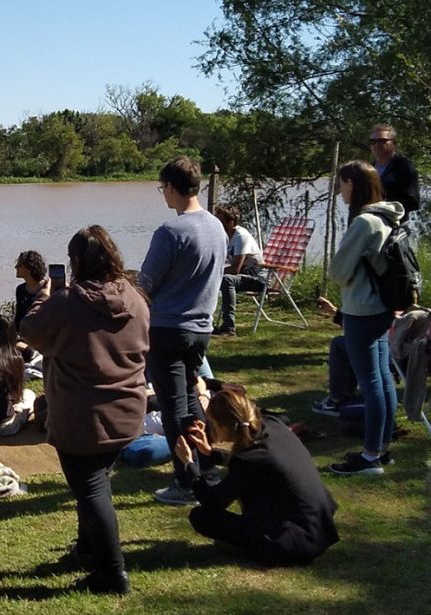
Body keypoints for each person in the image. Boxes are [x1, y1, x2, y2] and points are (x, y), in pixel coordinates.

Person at [20, 225, 149, 595]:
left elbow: (29, 331)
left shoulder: (67, 302)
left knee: (91, 490)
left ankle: (112, 573)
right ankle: (88, 547)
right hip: (126, 412)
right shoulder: (136, 298)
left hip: (83, 419)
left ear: (75, 262)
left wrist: (45, 297)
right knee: (96, 481)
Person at [138, 156, 226, 505]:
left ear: (172, 188)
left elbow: (146, 284)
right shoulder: (217, 226)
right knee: (190, 397)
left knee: (175, 408)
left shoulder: (170, 232)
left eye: (162, 188)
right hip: (201, 327)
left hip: (168, 329)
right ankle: (207, 465)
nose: (163, 194)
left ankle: (186, 481)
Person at [175, 390, 339, 566]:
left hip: (294, 544)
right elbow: (258, 462)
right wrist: (209, 452)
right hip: (321, 527)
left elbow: (212, 501)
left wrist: (189, 464)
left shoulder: (247, 461)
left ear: (224, 427)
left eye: (213, 424)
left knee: (202, 516)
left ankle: (251, 547)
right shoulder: (274, 425)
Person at [323, 161, 403, 476]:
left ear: (352, 184)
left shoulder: (364, 222)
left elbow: (338, 272)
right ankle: (381, 449)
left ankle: (370, 456)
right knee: (382, 379)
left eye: (342, 184)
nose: (340, 190)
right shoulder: (388, 216)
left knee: (371, 381)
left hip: (362, 308)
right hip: (383, 306)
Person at [213, 206, 265, 337]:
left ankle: (229, 328)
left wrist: (214, 273)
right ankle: (205, 323)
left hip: (259, 278)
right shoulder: (223, 236)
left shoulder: (241, 236)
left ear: (230, 222)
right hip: (243, 276)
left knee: (227, 279)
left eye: (219, 221)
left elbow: (235, 269)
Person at [370, 124, 420, 223]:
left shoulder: (404, 167)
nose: (377, 145)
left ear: (394, 143)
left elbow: (413, 202)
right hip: (370, 224)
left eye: (383, 141)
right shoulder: (369, 168)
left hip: (394, 226)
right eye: (373, 141)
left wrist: (385, 202)